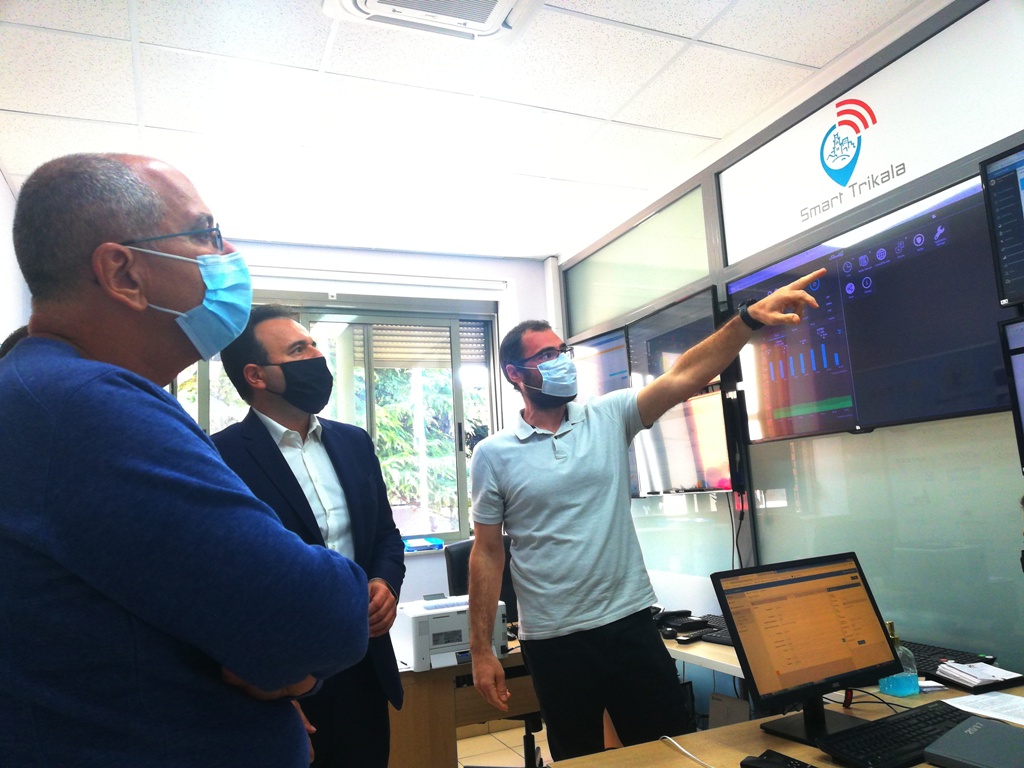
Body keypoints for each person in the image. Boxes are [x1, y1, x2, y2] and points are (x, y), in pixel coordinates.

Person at [0, 153, 370, 767]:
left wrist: (287, 660)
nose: (229, 254)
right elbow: (317, 618)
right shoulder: (89, 406)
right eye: (206, 234)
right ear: (124, 273)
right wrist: (298, 653)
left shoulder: (42, 392)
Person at [467, 269, 826, 761]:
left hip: (628, 624)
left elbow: (685, 375)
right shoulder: (493, 454)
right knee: (580, 758)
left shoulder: (608, 416)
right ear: (515, 374)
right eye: (546, 356)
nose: (562, 362)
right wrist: (482, 649)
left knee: (669, 751)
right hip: (552, 640)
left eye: (562, 351)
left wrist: (748, 320)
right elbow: (487, 553)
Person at [213, 305, 406, 768]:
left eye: (315, 345)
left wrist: (384, 583)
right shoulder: (220, 456)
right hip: (281, 678)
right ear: (256, 375)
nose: (318, 357)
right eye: (299, 350)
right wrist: (266, 682)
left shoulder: (354, 442)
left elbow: (385, 534)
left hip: (364, 662)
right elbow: (223, 582)